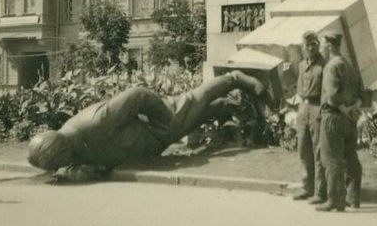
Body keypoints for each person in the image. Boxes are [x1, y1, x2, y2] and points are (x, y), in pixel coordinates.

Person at [28, 70, 273, 173]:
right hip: (152, 142)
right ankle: (234, 107)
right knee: (201, 113)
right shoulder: (70, 146)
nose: (60, 168)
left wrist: (165, 117)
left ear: (61, 150)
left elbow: (138, 95)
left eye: (58, 165)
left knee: (195, 99)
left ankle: (236, 78)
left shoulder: (93, 124)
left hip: (158, 125)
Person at [316, 32, 363, 212]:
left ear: (329, 47)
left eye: (322, 45)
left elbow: (332, 96)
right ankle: (354, 198)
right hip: (350, 121)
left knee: (331, 159)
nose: (321, 48)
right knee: (351, 158)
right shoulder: (350, 66)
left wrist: (343, 108)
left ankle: (335, 200)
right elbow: (361, 94)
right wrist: (352, 110)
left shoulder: (331, 66)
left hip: (333, 118)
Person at [291, 31, 327, 204]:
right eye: (307, 45)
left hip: (317, 107)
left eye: (314, 44)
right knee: (303, 149)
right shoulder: (301, 65)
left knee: (318, 150)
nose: (311, 47)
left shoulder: (324, 65)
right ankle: (307, 187)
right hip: (303, 107)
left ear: (318, 45)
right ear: (303, 47)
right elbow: (299, 86)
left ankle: (320, 192)